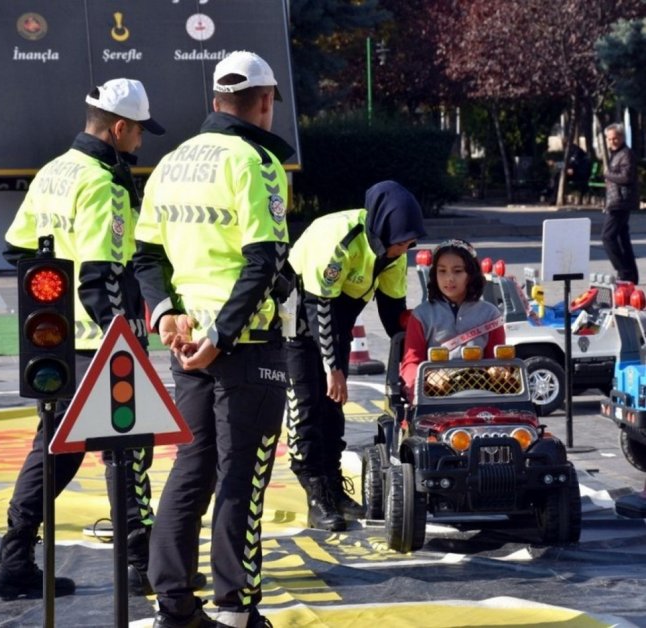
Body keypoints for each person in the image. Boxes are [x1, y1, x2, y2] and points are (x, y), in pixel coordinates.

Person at [0, 79, 166, 600]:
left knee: (55, 451)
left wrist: (52, 312)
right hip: (101, 342)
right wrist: (122, 346)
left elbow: (22, 249)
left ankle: (14, 560)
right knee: (127, 450)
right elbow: (99, 275)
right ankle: (142, 564)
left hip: (57, 349)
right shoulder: (104, 183)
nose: (140, 142)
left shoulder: (54, 171)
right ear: (118, 127)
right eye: (138, 133)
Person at [133, 50, 294, 628]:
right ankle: (236, 609)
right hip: (243, 345)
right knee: (243, 474)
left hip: (186, 344)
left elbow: (145, 255)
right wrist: (224, 336)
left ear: (216, 102)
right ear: (265, 101)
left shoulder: (171, 161)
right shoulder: (255, 161)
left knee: (189, 469)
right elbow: (264, 258)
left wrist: (164, 316)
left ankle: (172, 607)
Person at [286, 180, 426, 531]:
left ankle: (333, 485)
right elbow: (319, 308)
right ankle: (315, 495)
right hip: (298, 319)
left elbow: (394, 313)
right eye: (401, 242)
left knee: (333, 409)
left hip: (338, 324)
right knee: (307, 407)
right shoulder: (339, 239)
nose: (404, 248)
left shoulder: (394, 252)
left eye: (409, 242)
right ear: (382, 230)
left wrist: (415, 353)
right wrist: (332, 367)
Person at [400, 239, 505, 403]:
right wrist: (427, 378)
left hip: (481, 395)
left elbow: (496, 359)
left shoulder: (490, 314)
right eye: (442, 271)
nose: (449, 278)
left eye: (457, 271)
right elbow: (411, 363)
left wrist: (499, 369)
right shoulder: (422, 315)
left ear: (471, 274)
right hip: (434, 396)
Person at [601, 123, 640, 284]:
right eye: (609, 139)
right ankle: (631, 275)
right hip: (616, 200)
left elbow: (626, 177)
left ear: (622, 137)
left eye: (615, 138)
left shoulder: (626, 154)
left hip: (621, 202)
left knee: (607, 237)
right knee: (623, 238)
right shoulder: (616, 154)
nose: (612, 141)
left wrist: (608, 175)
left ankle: (623, 272)